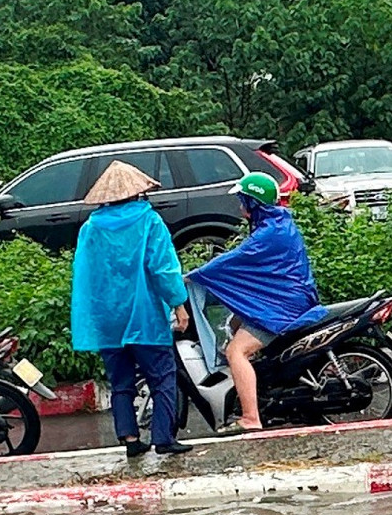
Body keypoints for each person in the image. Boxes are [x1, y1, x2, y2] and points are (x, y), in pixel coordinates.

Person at [188, 171, 327, 434]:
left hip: (282, 305)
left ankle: (251, 417)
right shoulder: (277, 223)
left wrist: (197, 275)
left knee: (235, 351)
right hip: (285, 297)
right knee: (235, 323)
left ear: (254, 203)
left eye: (243, 201)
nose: (240, 208)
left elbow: (235, 260)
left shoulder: (269, 233)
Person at [71, 161, 191, 458]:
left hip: (107, 317)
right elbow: (162, 268)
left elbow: (86, 274)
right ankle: (163, 437)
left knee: (120, 382)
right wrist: (178, 303)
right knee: (162, 377)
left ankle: (130, 438)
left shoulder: (91, 228)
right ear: (138, 191)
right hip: (145, 315)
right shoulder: (149, 222)